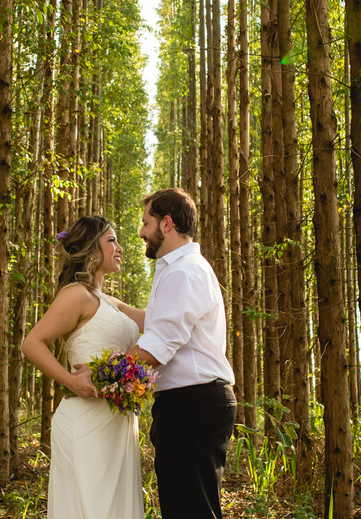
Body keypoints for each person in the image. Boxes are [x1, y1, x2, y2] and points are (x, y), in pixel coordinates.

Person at [22, 215, 146, 519]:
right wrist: (71, 380)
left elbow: (161, 321)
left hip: (117, 424)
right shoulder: (76, 294)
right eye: (111, 240)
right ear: (92, 251)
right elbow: (32, 343)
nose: (119, 247)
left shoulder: (110, 302)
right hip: (86, 422)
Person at [126, 187, 237, 519]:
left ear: (166, 224)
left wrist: (99, 373)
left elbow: (158, 347)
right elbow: (161, 324)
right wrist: (112, 305)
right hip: (189, 404)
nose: (142, 231)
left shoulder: (185, 272)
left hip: (194, 405)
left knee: (192, 511)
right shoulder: (178, 269)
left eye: (146, 222)